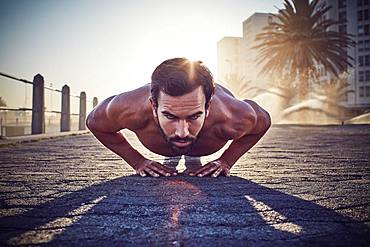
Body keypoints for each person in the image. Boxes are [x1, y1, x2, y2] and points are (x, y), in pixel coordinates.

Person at [86, 58, 271, 178]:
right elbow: (94, 122)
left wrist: (226, 161)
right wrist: (137, 161)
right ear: (153, 106)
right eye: (169, 116)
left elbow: (265, 121)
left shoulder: (234, 117)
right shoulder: (129, 109)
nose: (182, 132)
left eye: (194, 116)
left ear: (207, 107)